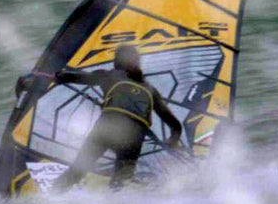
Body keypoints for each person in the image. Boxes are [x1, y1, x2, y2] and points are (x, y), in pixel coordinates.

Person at [49, 44, 182, 192]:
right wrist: (173, 140)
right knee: (121, 185)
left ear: (116, 62)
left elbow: (73, 77)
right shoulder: (151, 90)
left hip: (107, 128)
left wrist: (60, 76)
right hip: (133, 137)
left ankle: (50, 198)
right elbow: (176, 126)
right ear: (137, 63)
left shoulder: (107, 75)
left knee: (77, 170)